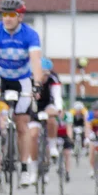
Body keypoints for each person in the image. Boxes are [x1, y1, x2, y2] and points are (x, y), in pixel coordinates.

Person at [0, 0, 43, 187]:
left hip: (21, 78)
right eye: (4, 14)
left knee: (22, 125)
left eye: (11, 15)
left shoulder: (30, 35)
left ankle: (24, 168)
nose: (7, 18)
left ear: (20, 17)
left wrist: (37, 83)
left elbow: (35, 61)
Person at [28, 57, 62, 185]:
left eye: (47, 74)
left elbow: (57, 97)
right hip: (33, 108)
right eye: (43, 74)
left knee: (52, 119)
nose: (45, 77)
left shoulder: (53, 79)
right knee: (33, 136)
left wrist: (58, 109)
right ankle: (33, 170)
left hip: (48, 105)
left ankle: (52, 146)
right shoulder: (29, 79)